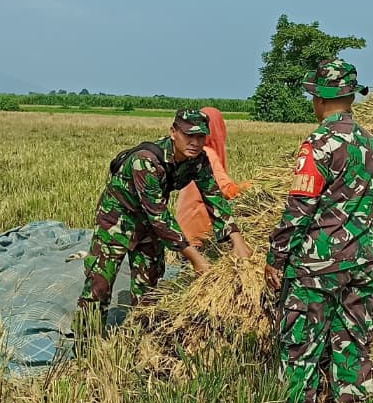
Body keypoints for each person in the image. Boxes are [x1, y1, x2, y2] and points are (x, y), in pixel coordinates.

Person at [265, 58, 373, 403]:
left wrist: (277, 257)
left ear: (318, 98)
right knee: (352, 338)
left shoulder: (318, 145)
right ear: (350, 96)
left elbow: (299, 209)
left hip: (318, 262)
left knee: (301, 338)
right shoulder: (371, 144)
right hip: (362, 258)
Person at [77, 108, 253, 331]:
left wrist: (237, 240)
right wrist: (196, 259)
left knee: (149, 288)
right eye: (189, 135)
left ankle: (138, 341)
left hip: (150, 226)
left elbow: (214, 198)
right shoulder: (146, 161)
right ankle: (86, 349)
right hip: (118, 220)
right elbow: (159, 216)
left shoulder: (199, 161)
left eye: (201, 137)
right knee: (99, 285)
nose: (195, 143)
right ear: (173, 132)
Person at [175, 106, 249, 245]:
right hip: (198, 232)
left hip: (185, 229)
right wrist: (254, 186)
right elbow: (225, 190)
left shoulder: (193, 153)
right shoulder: (206, 155)